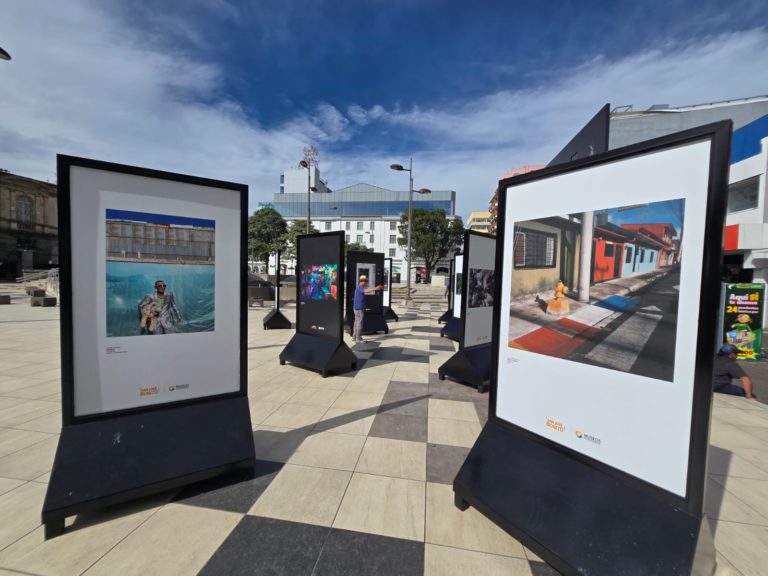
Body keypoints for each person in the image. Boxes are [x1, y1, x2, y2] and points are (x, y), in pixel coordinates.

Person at [352, 274, 383, 342]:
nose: (366, 282)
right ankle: (358, 338)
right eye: (365, 281)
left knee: (356, 322)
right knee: (359, 323)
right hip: (359, 308)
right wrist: (375, 288)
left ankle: (354, 336)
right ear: (361, 281)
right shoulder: (360, 287)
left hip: (357, 308)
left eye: (366, 281)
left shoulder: (359, 287)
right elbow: (365, 291)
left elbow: (365, 290)